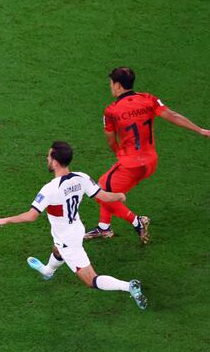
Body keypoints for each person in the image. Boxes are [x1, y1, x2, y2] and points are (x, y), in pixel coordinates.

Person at [0, 141, 147, 309]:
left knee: (91, 280)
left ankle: (129, 286)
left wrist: (6, 220)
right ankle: (48, 271)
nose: (47, 158)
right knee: (57, 247)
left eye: (49, 156)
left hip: (68, 238)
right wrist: (119, 196)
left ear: (55, 162)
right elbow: (105, 196)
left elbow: (31, 216)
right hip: (75, 228)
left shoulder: (50, 189)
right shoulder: (82, 177)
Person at [84, 67, 210, 243]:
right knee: (107, 186)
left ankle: (136, 222)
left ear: (118, 85)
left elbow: (111, 140)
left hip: (131, 165)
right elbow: (172, 115)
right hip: (150, 162)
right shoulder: (148, 99)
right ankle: (104, 227)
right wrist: (201, 130)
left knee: (101, 192)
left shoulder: (111, 111)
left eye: (111, 84)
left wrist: (119, 153)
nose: (110, 87)